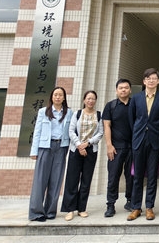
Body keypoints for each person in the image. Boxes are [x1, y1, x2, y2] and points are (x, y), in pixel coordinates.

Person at [127, 68, 159, 221]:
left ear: (158, 81)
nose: (151, 81)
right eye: (148, 78)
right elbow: (132, 119)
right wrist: (137, 133)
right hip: (139, 140)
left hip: (155, 140)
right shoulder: (136, 98)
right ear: (144, 81)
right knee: (137, 176)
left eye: (154, 78)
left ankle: (149, 207)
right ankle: (136, 207)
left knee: (152, 176)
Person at [28, 86, 73, 222]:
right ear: (52, 97)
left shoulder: (69, 112)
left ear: (64, 98)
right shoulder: (43, 111)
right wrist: (34, 151)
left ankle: (50, 211)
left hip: (61, 147)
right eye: (55, 95)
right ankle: (36, 212)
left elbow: (71, 131)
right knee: (40, 180)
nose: (58, 97)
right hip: (45, 147)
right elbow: (37, 131)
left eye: (60, 95)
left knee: (56, 180)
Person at [61, 90, 104, 220]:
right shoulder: (77, 114)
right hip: (76, 149)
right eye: (88, 98)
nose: (90, 101)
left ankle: (81, 208)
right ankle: (70, 209)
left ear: (95, 101)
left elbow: (100, 133)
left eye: (93, 99)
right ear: (84, 100)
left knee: (86, 180)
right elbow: (71, 131)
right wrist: (79, 145)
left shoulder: (99, 115)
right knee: (72, 179)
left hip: (91, 150)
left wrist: (88, 143)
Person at [103, 78, 133, 217]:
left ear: (130, 90)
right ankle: (110, 205)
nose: (123, 90)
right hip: (116, 148)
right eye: (121, 88)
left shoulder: (135, 104)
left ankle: (130, 201)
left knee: (132, 176)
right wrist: (109, 145)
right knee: (113, 176)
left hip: (132, 147)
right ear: (116, 90)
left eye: (126, 88)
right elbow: (107, 126)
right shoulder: (111, 106)